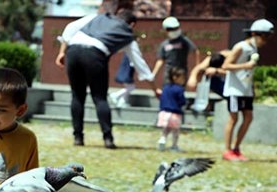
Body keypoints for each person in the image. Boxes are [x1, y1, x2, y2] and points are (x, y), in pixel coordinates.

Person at [54, 9, 158, 149]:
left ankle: (78, 137)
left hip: (73, 51)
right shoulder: (127, 33)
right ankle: (107, 138)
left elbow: (70, 27)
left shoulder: (97, 17)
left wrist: (62, 52)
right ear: (132, 24)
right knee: (100, 98)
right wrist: (154, 88)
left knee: (77, 96)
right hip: (95, 55)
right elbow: (140, 65)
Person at [221, 19, 274, 161]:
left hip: (245, 90)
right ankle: (227, 151)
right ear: (255, 34)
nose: (266, 40)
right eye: (265, 36)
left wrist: (252, 88)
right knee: (233, 118)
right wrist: (245, 65)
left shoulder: (254, 49)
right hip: (234, 89)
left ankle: (236, 148)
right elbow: (226, 66)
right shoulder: (241, 47)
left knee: (248, 117)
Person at [151, 16, 200, 87]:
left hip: (181, 72)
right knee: (168, 92)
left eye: (176, 28)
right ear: (166, 30)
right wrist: (154, 73)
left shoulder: (184, 41)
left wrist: (197, 69)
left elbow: (195, 51)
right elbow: (160, 60)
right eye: (171, 29)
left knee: (178, 92)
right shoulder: (164, 44)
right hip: (168, 74)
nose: (174, 31)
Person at [156, 67, 187, 152]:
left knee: (165, 129)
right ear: (175, 77)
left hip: (163, 112)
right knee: (175, 131)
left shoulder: (165, 88)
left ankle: (162, 140)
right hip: (174, 113)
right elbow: (182, 101)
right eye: (182, 78)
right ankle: (174, 145)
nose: (184, 80)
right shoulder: (179, 89)